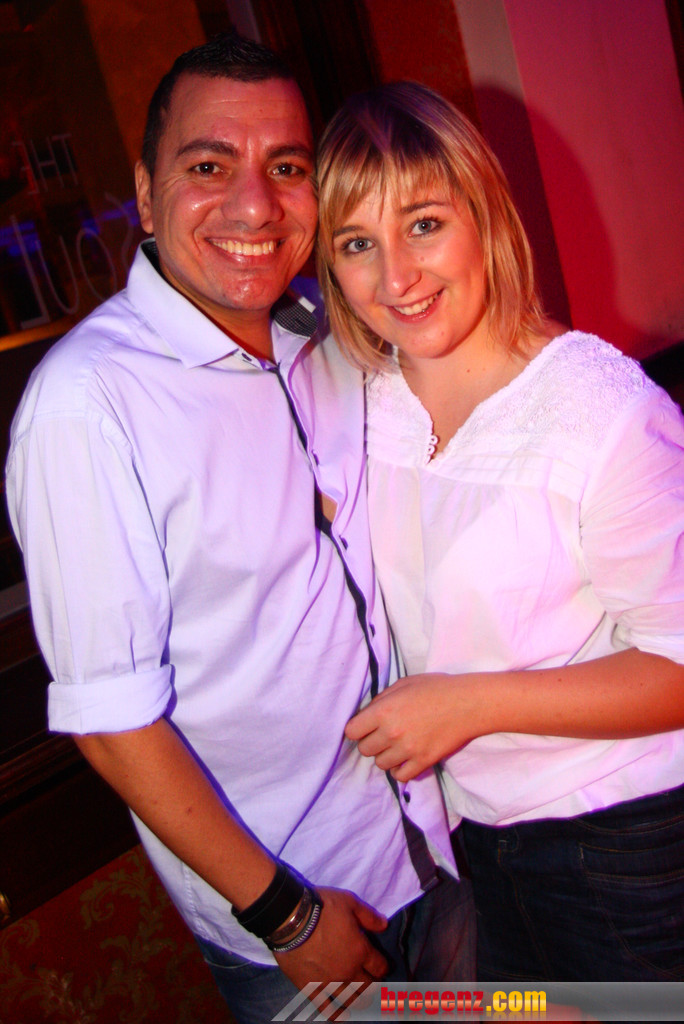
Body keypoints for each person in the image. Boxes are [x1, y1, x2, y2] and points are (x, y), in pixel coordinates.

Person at [5, 44, 474, 1024]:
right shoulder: (89, 405)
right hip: (306, 913)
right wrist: (287, 918)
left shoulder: (325, 332)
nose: (255, 206)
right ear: (145, 193)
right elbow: (110, 721)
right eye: (209, 165)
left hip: (438, 840)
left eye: (286, 166)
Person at [316, 80, 684, 982]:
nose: (396, 277)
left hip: (626, 846)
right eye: (358, 243)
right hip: (475, 848)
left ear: (483, 216)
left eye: (424, 225)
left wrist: (468, 705)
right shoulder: (357, 403)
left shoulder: (602, 413)